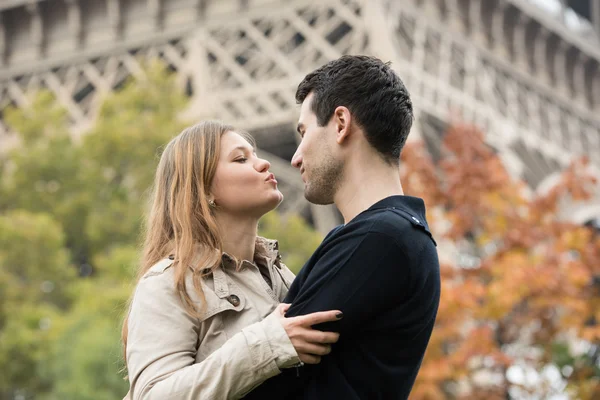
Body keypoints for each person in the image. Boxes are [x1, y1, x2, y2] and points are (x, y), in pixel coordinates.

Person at [245, 55, 441, 399]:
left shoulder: (382, 238)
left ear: (340, 124)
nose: (296, 157)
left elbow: (263, 377)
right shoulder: (393, 235)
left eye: (304, 133)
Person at [121, 121, 343, 400]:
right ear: (204, 190)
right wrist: (268, 344)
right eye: (241, 159)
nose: (263, 164)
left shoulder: (284, 277)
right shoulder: (166, 284)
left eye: (256, 154)